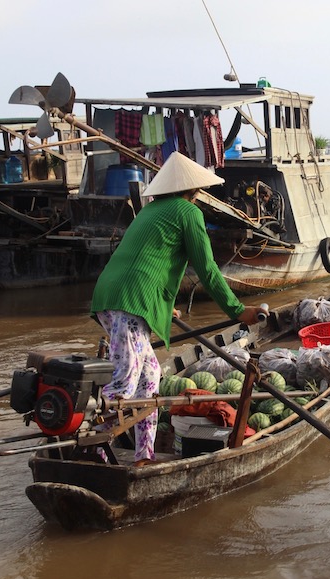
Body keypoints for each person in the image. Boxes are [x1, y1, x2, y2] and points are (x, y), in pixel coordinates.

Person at [90, 151, 268, 467]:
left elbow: (154, 261)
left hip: (115, 295)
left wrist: (164, 308)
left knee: (150, 378)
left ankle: (143, 455)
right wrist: (237, 311)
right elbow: (207, 269)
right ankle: (92, 442)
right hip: (127, 301)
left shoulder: (151, 211)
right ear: (193, 190)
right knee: (126, 382)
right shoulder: (188, 213)